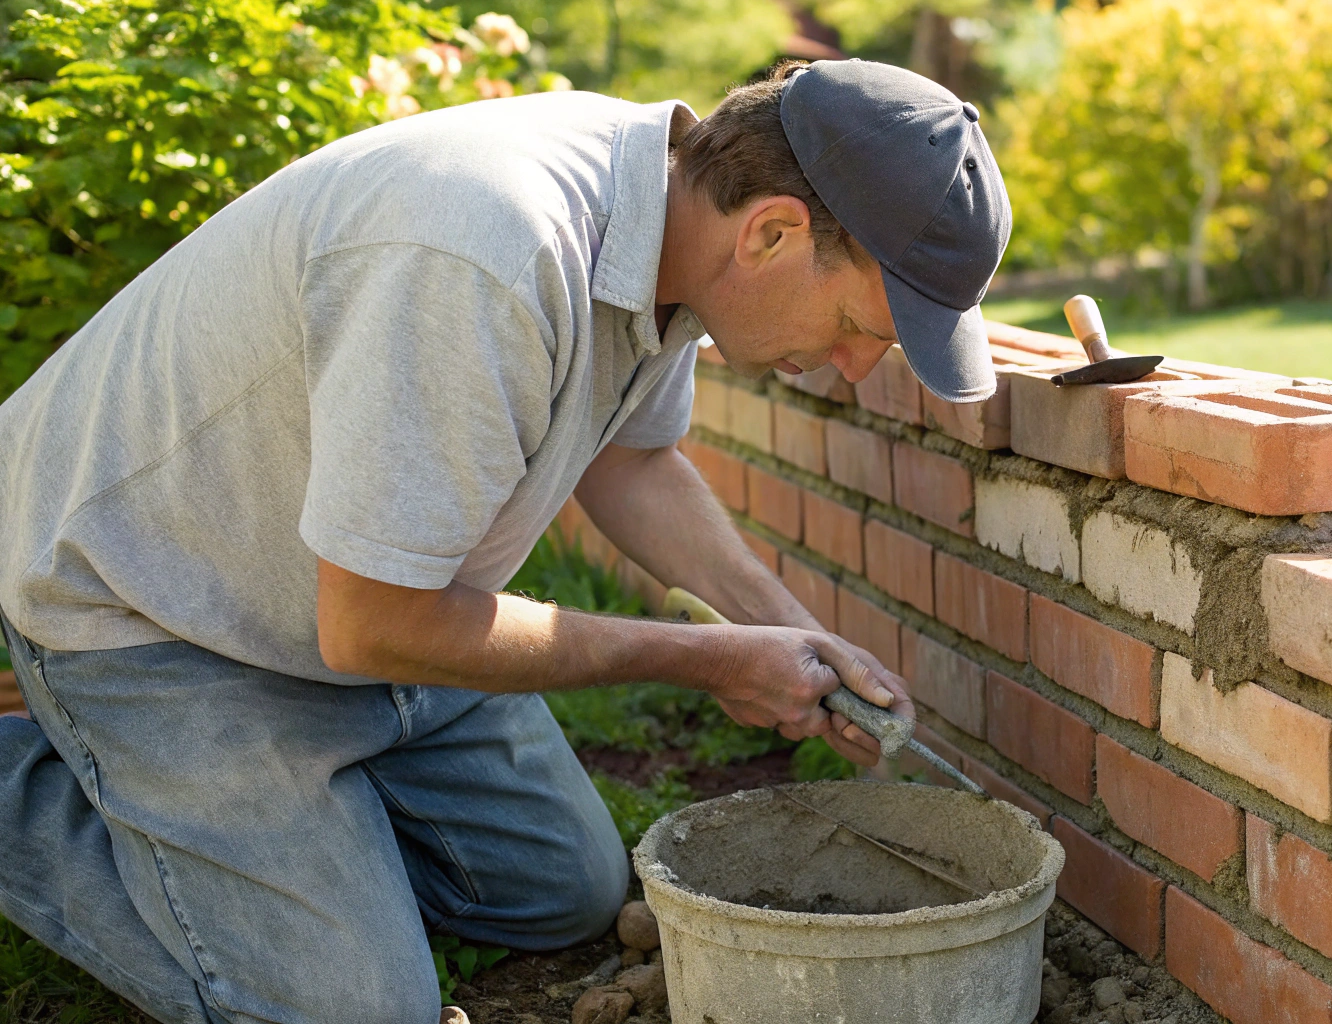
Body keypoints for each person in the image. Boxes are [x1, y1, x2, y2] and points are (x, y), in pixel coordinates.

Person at [0, 58, 1009, 1023]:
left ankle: (298, 823)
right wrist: (708, 660)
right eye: (856, 323)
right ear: (773, 234)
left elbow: (634, 463)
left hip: (342, 602)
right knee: (351, 1008)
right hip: (164, 608)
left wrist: (790, 631)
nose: (855, 365)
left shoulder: (666, 229)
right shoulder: (485, 250)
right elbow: (374, 623)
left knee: (561, 891)